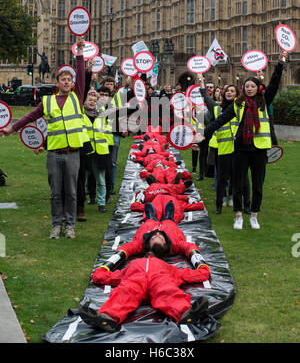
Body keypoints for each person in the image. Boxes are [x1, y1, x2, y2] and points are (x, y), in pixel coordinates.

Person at [0, 37, 87, 239]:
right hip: (54, 154)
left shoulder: (78, 97)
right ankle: (57, 225)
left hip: (73, 153)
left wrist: (80, 53)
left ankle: (71, 226)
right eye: (63, 79)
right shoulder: (47, 102)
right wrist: (12, 128)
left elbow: (82, 75)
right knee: (56, 193)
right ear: (57, 82)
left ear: (73, 83)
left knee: (72, 193)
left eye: (69, 79)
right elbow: (30, 117)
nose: (67, 82)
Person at [201, 50, 288, 229]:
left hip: (259, 149)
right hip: (241, 148)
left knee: (257, 185)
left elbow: (274, 83)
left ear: (258, 88)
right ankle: (238, 215)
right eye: (246, 86)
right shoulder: (238, 104)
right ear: (244, 89)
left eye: (252, 86)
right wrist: (205, 133)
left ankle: (254, 215)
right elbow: (220, 120)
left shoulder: (264, 101)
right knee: (238, 184)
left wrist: (280, 63)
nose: (249, 88)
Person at [79, 252, 210, 333]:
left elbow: (194, 274)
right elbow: (100, 276)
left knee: (167, 291)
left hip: (159, 280)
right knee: (124, 292)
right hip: (135, 280)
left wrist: (202, 266)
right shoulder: (132, 265)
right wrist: (102, 269)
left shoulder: (168, 267)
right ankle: (107, 318)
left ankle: (186, 313)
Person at [82, 89, 111, 213]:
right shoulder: (80, 113)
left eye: (94, 100)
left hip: (100, 150)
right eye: (90, 100)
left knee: (100, 179)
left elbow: (108, 128)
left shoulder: (102, 113)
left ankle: (101, 203)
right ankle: (85, 199)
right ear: (85, 101)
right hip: (85, 150)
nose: (92, 102)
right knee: (85, 177)